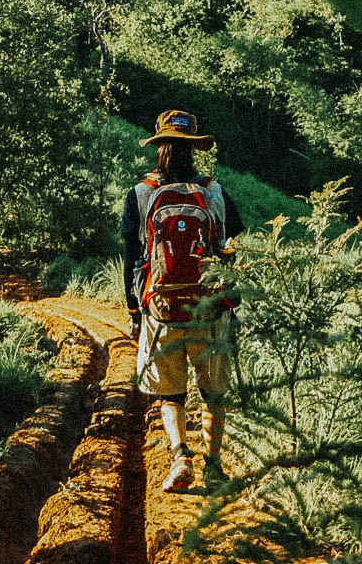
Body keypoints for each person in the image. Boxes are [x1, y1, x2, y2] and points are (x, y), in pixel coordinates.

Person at [122, 109, 244, 492]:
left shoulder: (141, 193)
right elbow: (231, 244)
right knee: (213, 392)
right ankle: (215, 466)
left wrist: (132, 309)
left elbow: (131, 257)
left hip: (162, 309)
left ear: (158, 147)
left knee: (170, 392)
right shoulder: (214, 192)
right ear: (195, 149)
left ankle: (180, 456)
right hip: (208, 309)